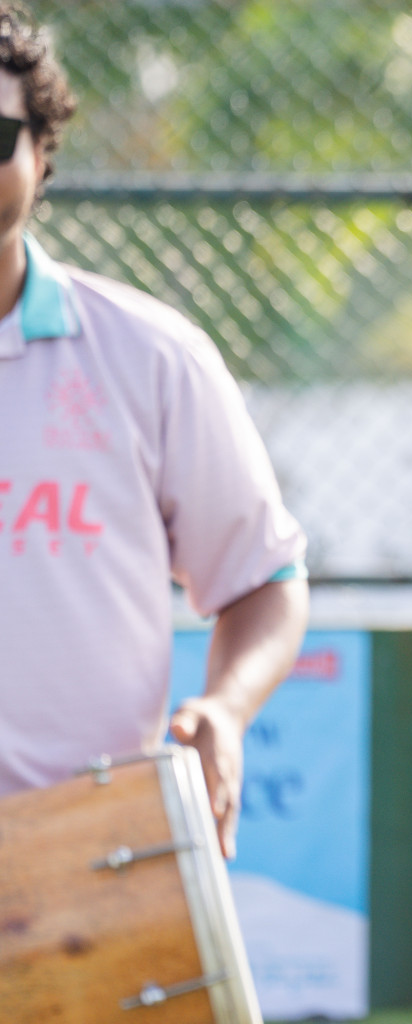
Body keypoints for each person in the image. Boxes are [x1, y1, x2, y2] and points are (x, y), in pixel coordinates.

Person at [0, 2, 308, 861]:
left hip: (96, 855)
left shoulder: (149, 354)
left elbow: (264, 579)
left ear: (41, 152)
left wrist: (226, 708)